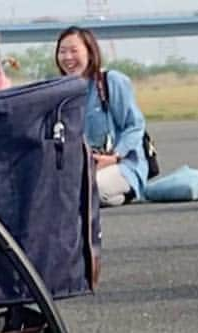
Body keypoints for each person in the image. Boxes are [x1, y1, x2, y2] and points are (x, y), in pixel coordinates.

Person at [55, 27, 149, 207]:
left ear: (90, 53)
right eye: (62, 51)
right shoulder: (61, 91)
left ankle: (127, 190)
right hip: (84, 167)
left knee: (87, 191)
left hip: (121, 165)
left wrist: (115, 157)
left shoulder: (111, 81)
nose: (67, 57)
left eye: (74, 51)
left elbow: (135, 126)